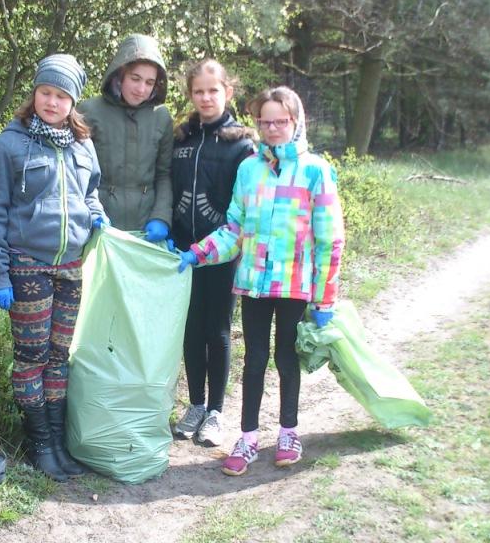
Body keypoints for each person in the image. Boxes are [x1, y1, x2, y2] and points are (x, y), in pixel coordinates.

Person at [178, 86, 345, 476]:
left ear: (295, 121)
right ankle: (248, 438)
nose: (272, 128)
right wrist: (198, 253)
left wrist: (325, 298)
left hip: (295, 285)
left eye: (280, 121)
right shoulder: (249, 169)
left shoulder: (316, 171)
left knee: (286, 358)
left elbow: (330, 240)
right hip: (253, 283)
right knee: (254, 359)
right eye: (265, 122)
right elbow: (234, 228)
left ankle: (288, 433)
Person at [0, 53, 106, 482]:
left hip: (70, 267)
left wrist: (96, 216)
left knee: (58, 357)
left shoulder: (83, 146)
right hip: (27, 267)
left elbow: (90, 193)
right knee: (31, 357)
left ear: (73, 102)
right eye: (46, 92)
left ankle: (58, 442)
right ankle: (39, 446)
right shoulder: (7, 146)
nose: (52, 102)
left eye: (61, 96)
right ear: (34, 94)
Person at [170, 59, 256, 447]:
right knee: (191, 327)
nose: (206, 98)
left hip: (222, 253)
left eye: (213, 90)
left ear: (228, 92)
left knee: (217, 329)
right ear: (191, 94)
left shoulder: (242, 144)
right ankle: (196, 406)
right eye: (198, 91)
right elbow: (169, 187)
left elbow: (244, 207)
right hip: (183, 250)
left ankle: (217, 412)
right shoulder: (181, 138)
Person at [79, 34, 173, 241]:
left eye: (149, 82)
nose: (141, 89)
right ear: (120, 74)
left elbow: (164, 174)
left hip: (145, 225)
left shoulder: (161, 116)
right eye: (135, 79)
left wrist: (161, 217)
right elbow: (76, 173)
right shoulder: (89, 111)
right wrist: (89, 212)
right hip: (98, 224)